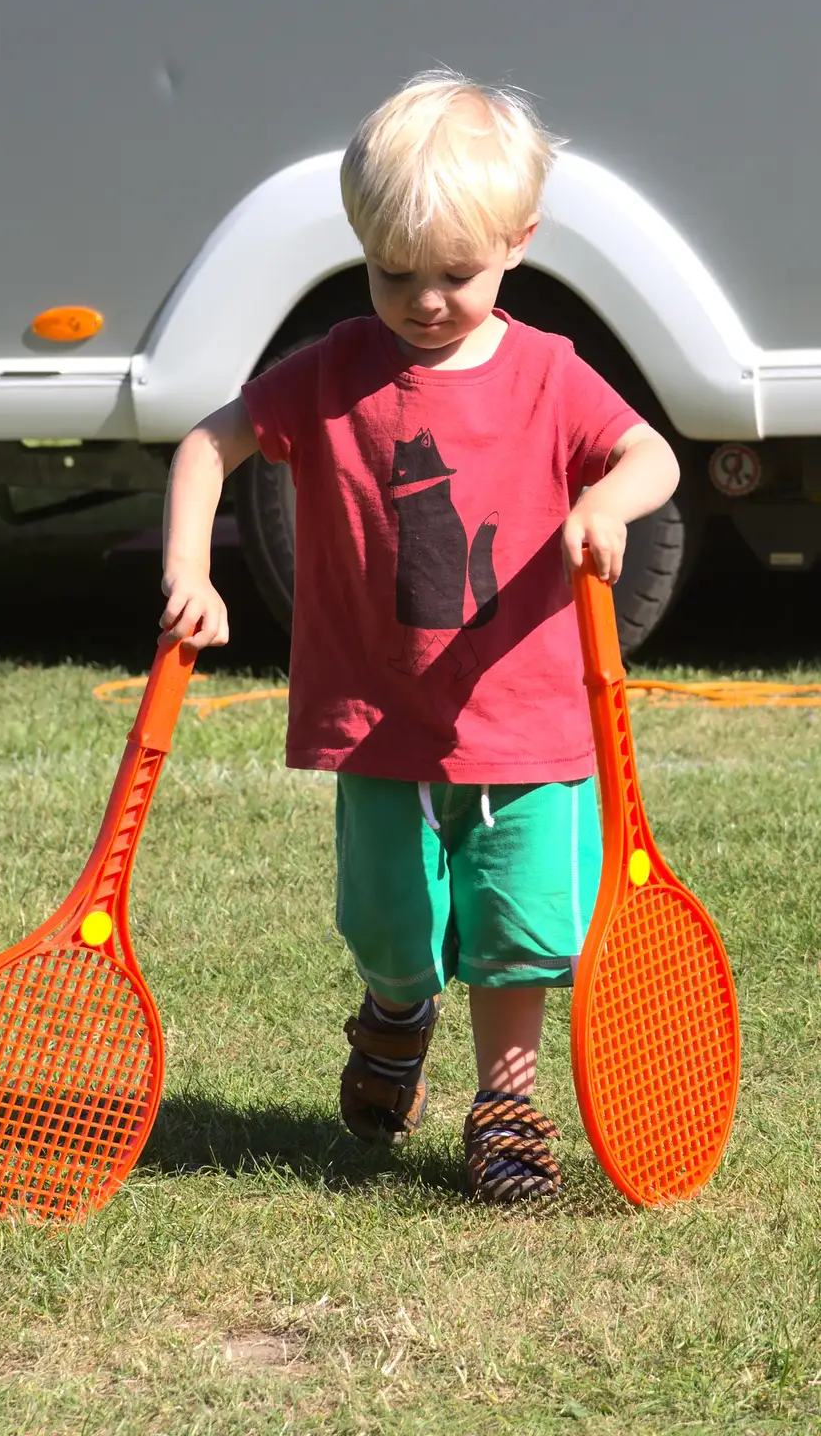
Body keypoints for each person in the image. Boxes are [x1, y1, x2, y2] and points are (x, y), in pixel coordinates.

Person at [160, 71, 680, 1203]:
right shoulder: (337, 369)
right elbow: (207, 447)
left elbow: (653, 458)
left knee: (521, 924)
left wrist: (605, 504)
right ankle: (396, 1009)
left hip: (526, 717)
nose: (426, 300)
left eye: (456, 274)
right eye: (396, 273)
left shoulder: (548, 372)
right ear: (362, 247)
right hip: (378, 717)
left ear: (517, 242)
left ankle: (506, 1110)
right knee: (388, 919)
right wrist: (189, 572)